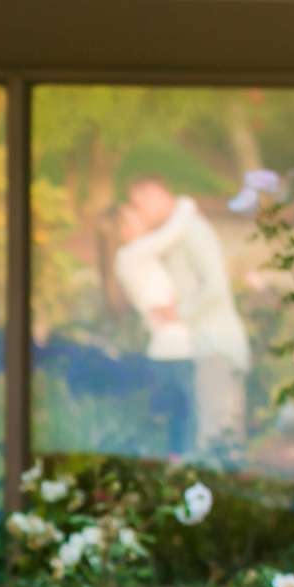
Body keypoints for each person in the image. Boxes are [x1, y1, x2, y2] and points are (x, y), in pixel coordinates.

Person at [116, 175, 252, 461]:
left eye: (138, 204)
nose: (138, 212)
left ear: (156, 193)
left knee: (218, 442)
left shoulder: (192, 231)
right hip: (200, 349)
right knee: (206, 442)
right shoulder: (171, 236)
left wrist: (179, 313)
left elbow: (215, 287)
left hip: (216, 348)